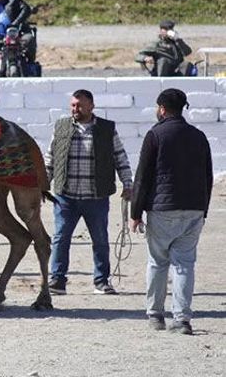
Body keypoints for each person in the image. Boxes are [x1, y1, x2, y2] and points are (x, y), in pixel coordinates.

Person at [130, 89, 212, 335]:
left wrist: (135, 213)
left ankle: (155, 314)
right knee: (185, 264)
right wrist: (203, 208)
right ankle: (182, 319)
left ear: (162, 108)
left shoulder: (155, 134)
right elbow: (208, 175)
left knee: (158, 262)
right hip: (194, 208)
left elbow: (143, 176)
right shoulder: (199, 136)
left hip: (162, 208)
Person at [44, 90, 133, 295]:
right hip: (66, 196)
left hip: (96, 196)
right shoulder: (61, 126)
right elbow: (50, 158)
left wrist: (127, 183)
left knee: (100, 239)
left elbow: (120, 158)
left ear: (92, 106)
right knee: (60, 238)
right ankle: (57, 281)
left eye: (80, 105)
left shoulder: (106, 129)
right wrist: (44, 184)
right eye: (73, 105)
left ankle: (101, 281)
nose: (75, 109)